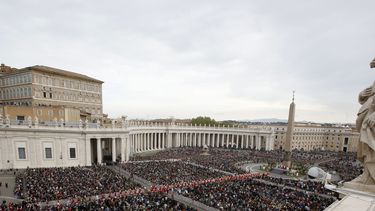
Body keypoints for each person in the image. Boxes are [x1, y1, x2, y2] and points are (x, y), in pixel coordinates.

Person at [355, 57, 375, 185]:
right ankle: (367, 174)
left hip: (372, 116)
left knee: (369, 143)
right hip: (370, 111)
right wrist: (362, 94)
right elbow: (367, 94)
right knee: (367, 145)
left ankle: (370, 176)